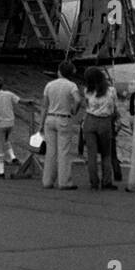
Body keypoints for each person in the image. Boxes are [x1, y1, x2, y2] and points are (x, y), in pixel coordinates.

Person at [39, 61, 83, 190]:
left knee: (50, 152)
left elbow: (44, 105)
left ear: (59, 71)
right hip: (64, 118)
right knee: (63, 152)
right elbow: (78, 99)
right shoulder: (71, 86)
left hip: (50, 118)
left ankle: (47, 181)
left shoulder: (49, 85)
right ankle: (64, 182)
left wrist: (41, 123)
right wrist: (74, 110)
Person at [81, 66, 117, 190]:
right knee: (106, 153)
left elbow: (86, 104)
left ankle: (93, 182)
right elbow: (113, 107)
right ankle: (106, 181)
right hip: (105, 122)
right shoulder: (111, 91)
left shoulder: (87, 91)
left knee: (91, 154)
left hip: (90, 121)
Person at [0, 76, 22, 178]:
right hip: (10, 123)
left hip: (0, 124)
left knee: (0, 146)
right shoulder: (9, 94)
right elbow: (19, 100)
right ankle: (13, 156)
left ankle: (1, 172)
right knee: (6, 139)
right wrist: (29, 102)